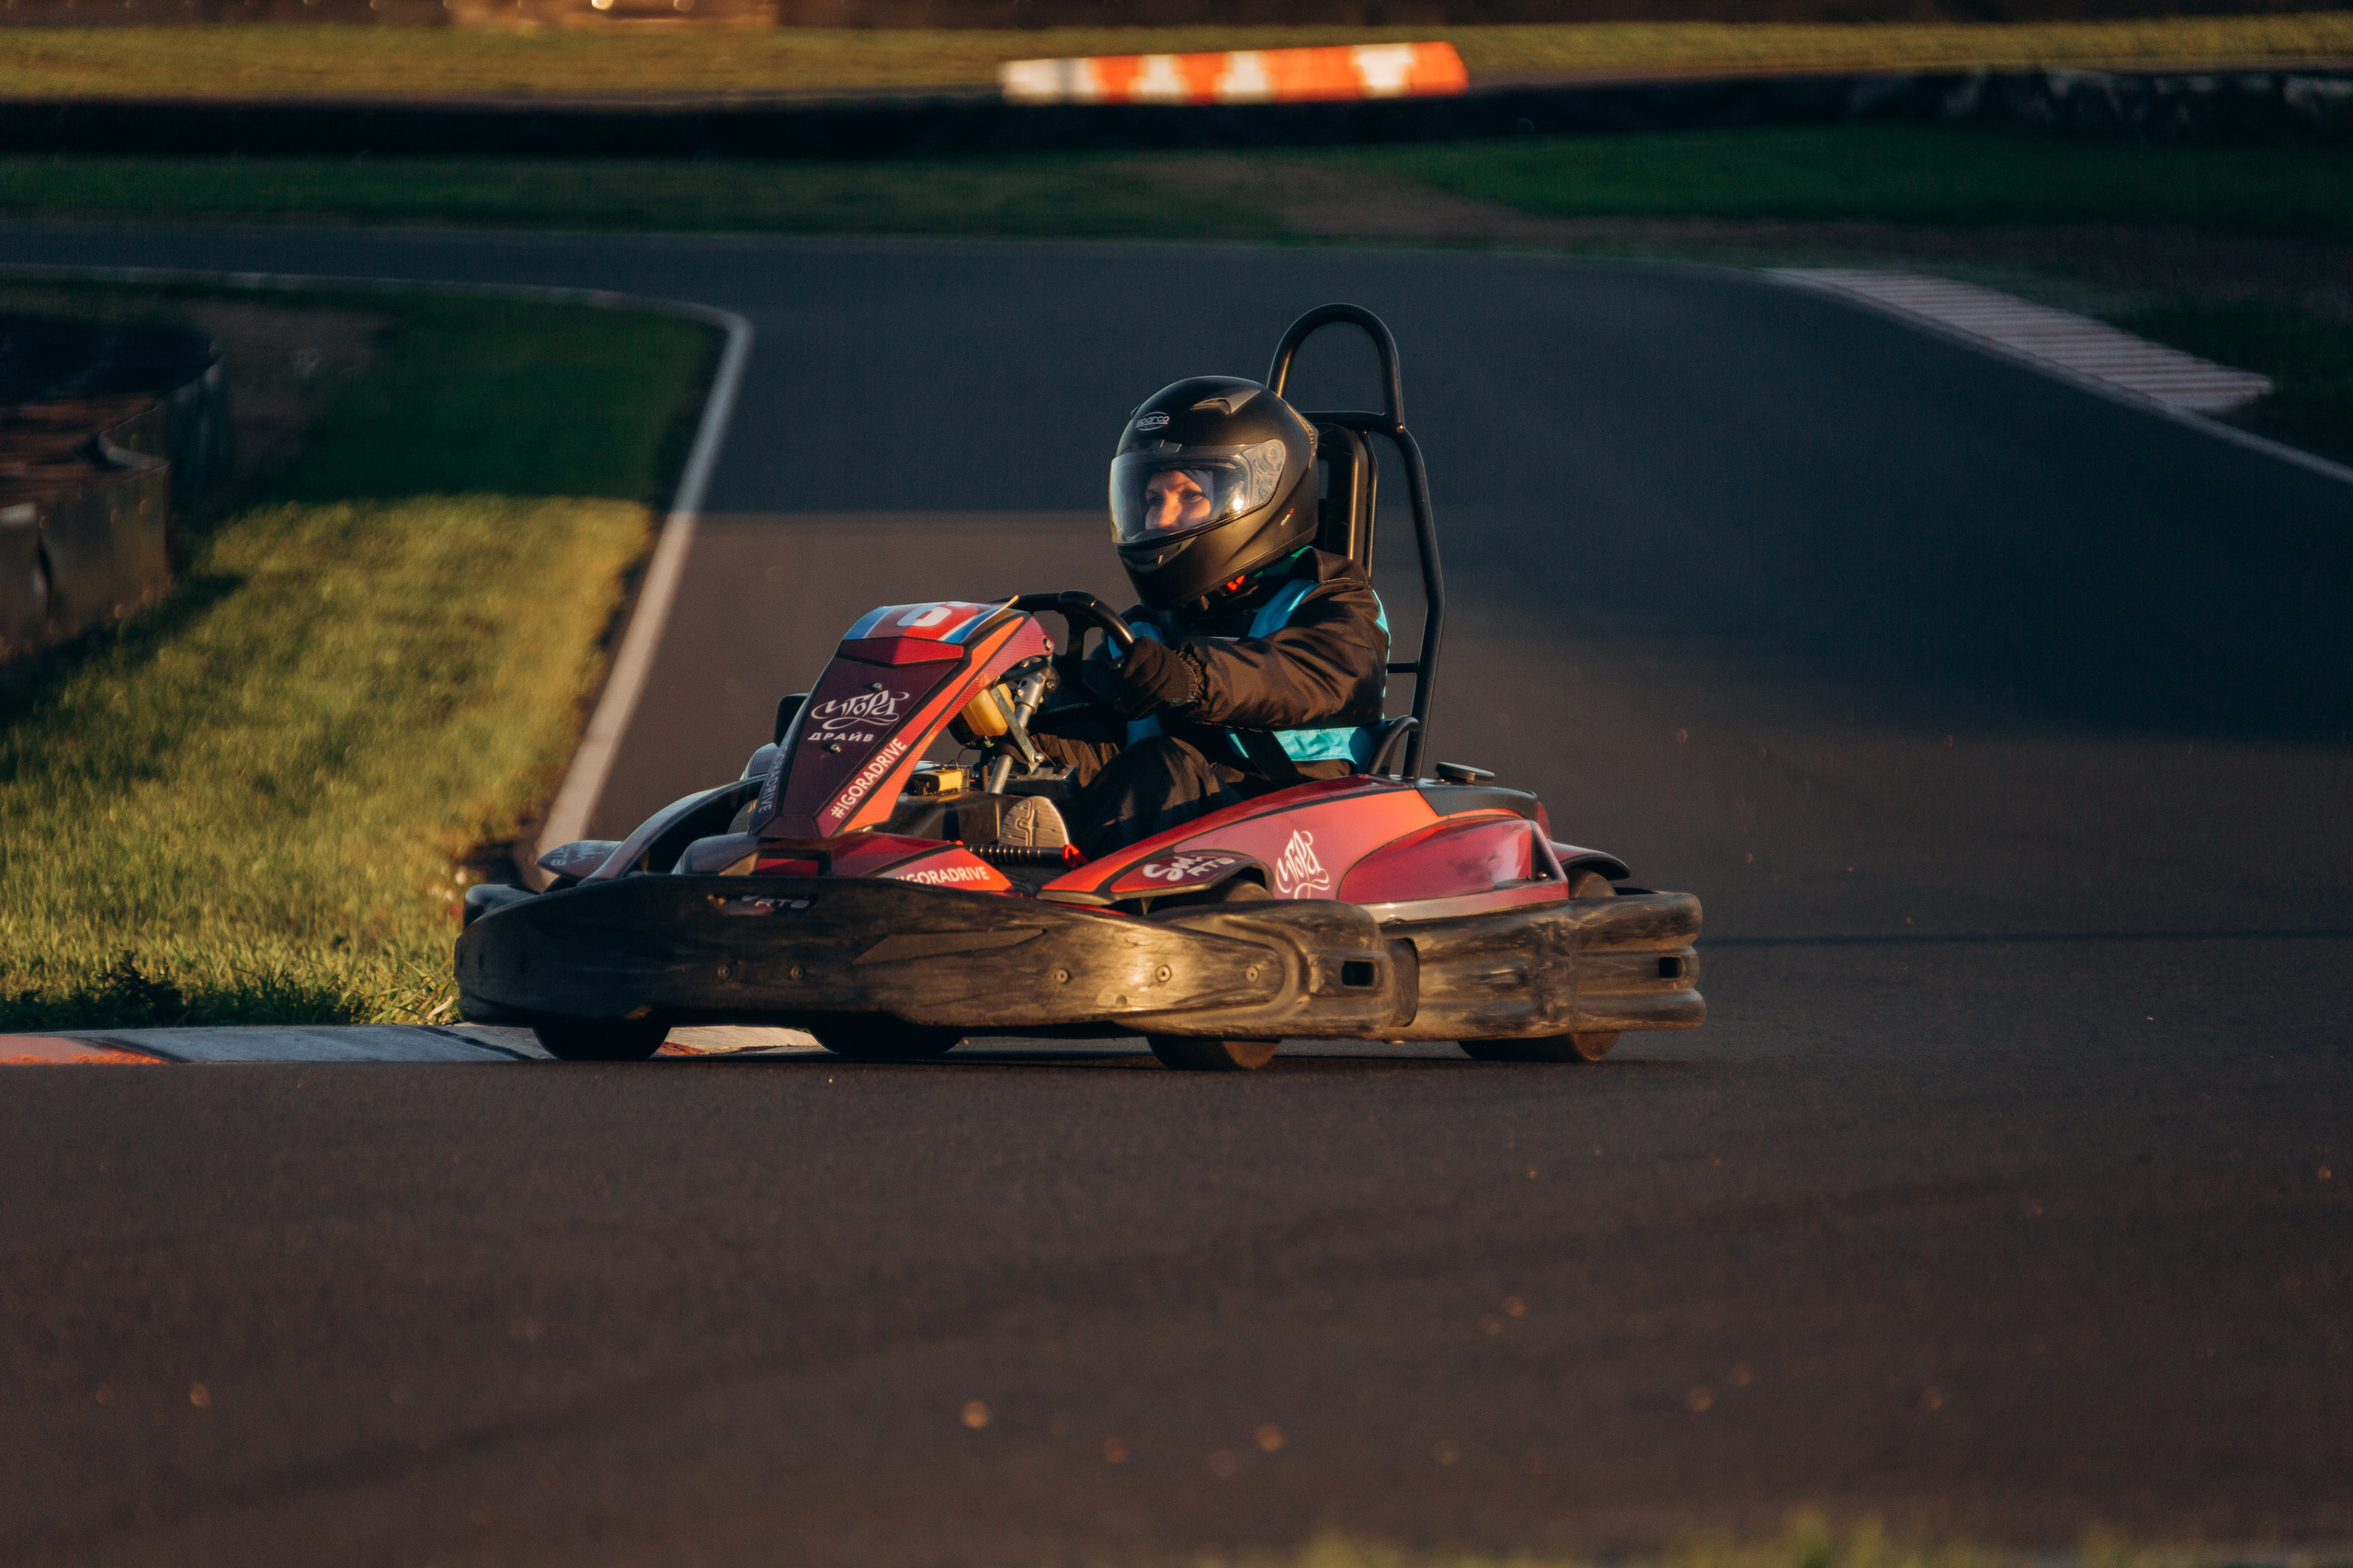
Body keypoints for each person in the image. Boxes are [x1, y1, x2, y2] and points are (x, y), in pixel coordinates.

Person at [1010, 374, 1391, 860]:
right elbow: (1094, 740)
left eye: (1188, 497)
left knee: (1161, 767)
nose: (1159, 521)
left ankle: (1052, 901)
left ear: (1261, 497)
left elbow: (1301, 675)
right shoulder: (1144, 630)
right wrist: (1012, 718)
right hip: (1181, 836)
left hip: (1295, 830)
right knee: (1030, 763)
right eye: (1151, 500)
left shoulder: (1335, 602)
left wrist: (1190, 675)